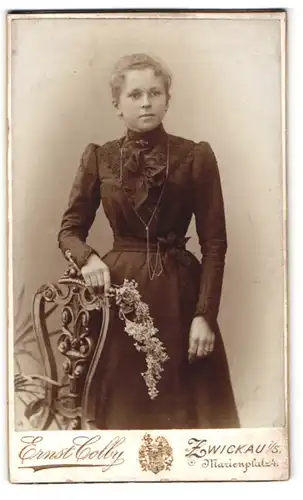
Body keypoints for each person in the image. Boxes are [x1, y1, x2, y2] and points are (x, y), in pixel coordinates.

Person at [58, 53, 240, 430]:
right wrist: (88, 259)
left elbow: (214, 244)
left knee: (189, 415)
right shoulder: (99, 157)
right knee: (122, 413)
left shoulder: (195, 156)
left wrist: (205, 315)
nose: (146, 102)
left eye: (155, 93)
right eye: (135, 94)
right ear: (117, 104)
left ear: (167, 98)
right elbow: (69, 230)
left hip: (180, 295)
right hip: (118, 301)